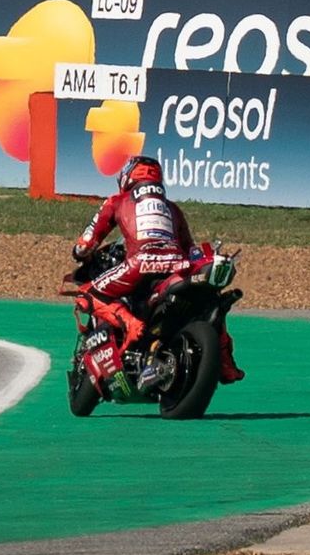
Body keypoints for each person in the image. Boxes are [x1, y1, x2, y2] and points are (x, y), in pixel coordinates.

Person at [71, 155, 245, 388]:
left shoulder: (117, 200)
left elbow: (86, 244)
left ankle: (130, 324)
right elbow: (188, 248)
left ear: (127, 177)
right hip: (176, 268)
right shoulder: (173, 209)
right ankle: (225, 363)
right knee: (211, 302)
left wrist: (80, 252)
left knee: (86, 294)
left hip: (138, 264)